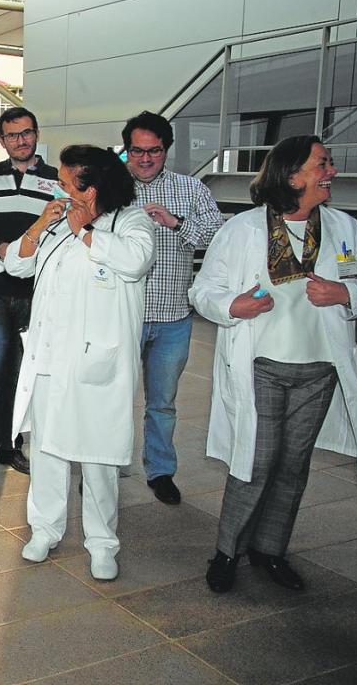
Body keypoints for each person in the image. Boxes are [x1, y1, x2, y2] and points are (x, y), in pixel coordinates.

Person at [189, 135, 357, 594]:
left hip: (319, 369)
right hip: (260, 366)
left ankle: (270, 550)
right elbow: (203, 291)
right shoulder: (242, 230)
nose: (332, 171)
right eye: (323, 164)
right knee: (255, 464)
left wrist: (345, 294)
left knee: (293, 466)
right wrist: (232, 305)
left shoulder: (344, 228)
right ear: (292, 174)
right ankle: (227, 552)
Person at [6, 146, 155, 581]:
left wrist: (87, 230)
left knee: (98, 458)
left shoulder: (131, 221)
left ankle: (103, 542)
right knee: (46, 450)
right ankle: (44, 529)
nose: (60, 188)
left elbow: (135, 261)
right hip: (50, 357)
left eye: (68, 183)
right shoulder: (57, 223)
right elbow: (16, 264)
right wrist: (41, 224)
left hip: (96, 365)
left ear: (93, 188)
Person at [123, 111, 223, 505]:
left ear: (167, 150)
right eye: (137, 151)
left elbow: (219, 233)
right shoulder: (111, 188)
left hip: (172, 318)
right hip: (122, 316)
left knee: (161, 403)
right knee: (112, 398)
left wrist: (176, 222)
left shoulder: (190, 188)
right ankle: (104, 468)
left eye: (154, 151)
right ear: (126, 150)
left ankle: (160, 470)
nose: (145, 159)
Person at [0, 106, 57, 484]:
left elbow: (58, 230)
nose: (22, 140)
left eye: (27, 133)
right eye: (13, 135)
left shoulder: (56, 180)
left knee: (22, 375)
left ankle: (9, 444)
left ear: (36, 134)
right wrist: (2, 249)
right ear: (2, 141)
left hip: (37, 293)